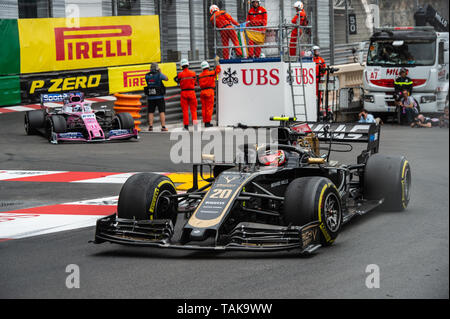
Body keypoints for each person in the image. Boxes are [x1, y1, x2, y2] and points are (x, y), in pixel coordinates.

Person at [174, 59, 198, 130]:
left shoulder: (180, 74)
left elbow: (176, 80)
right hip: (192, 93)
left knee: (185, 111)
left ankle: (186, 126)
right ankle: (195, 127)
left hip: (184, 93)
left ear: (181, 66)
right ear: (188, 65)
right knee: (193, 110)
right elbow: (196, 83)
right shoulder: (193, 73)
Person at [198, 56, 221, 128]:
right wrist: (216, 61)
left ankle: (205, 122)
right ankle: (208, 123)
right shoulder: (211, 73)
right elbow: (218, 69)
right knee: (209, 108)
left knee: (204, 108)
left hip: (202, 92)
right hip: (209, 92)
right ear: (208, 66)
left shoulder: (200, 75)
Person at [144, 63, 168, 132]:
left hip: (150, 97)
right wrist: (160, 72)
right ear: (157, 68)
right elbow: (166, 78)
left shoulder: (147, 76)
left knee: (151, 111)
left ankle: (150, 126)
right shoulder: (159, 75)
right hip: (159, 96)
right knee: (162, 111)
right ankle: (163, 127)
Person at [312, 45, 326, 112]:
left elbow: (324, 70)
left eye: (318, 51)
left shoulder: (321, 60)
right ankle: (313, 105)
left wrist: (323, 78)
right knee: (313, 93)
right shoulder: (312, 60)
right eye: (316, 51)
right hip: (312, 79)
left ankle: (319, 105)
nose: (317, 52)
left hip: (319, 79)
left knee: (320, 93)